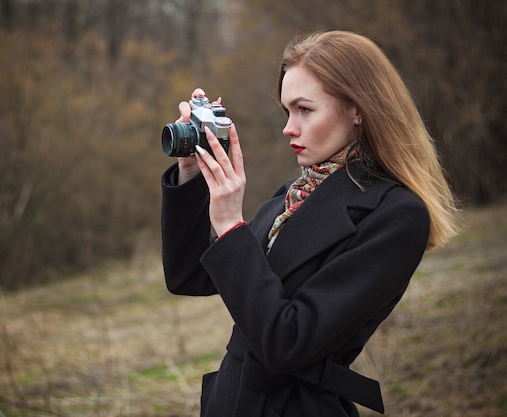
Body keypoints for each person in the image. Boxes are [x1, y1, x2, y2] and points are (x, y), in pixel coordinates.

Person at [160, 30, 459, 417]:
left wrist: (231, 224)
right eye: (287, 111)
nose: (289, 127)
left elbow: (288, 342)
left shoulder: (397, 215)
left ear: (358, 109)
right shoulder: (296, 193)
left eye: (305, 109)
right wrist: (190, 171)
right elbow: (188, 275)